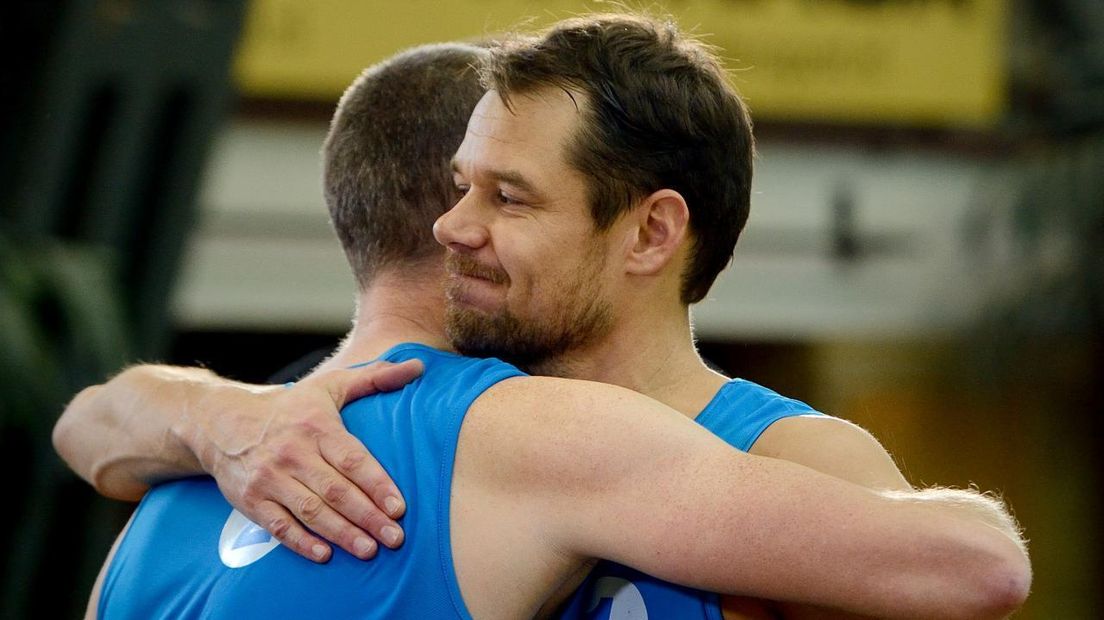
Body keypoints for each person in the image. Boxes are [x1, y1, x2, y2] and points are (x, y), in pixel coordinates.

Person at [55, 19, 1030, 620]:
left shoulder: (793, 458)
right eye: (458, 187)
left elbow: (979, 568)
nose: (452, 227)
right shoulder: (377, 426)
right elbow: (92, 420)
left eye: (507, 198)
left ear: (652, 233)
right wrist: (214, 411)